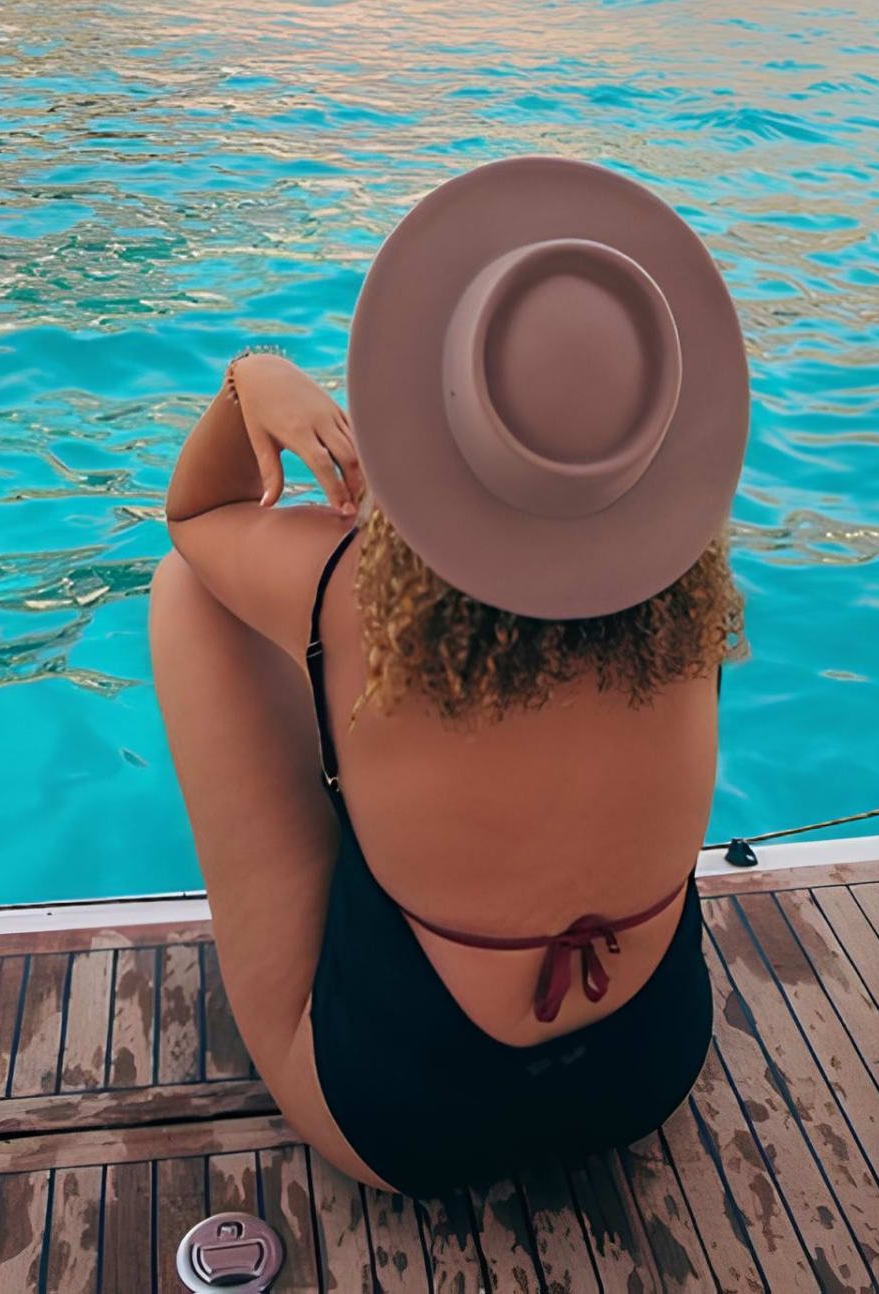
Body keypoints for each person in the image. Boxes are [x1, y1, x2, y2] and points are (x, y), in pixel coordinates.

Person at [147, 155, 750, 1198]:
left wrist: (251, 375)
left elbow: (195, 520)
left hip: (405, 1119)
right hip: (650, 1066)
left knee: (190, 594)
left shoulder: (346, 590)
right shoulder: (687, 600)